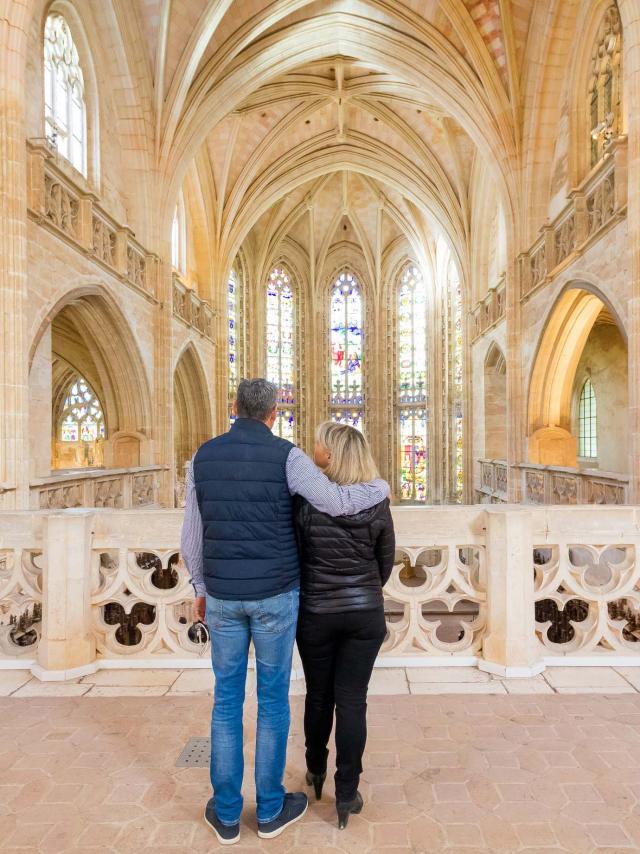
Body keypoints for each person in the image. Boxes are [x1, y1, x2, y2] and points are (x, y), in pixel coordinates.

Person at [180, 379, 389, 846]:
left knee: (226, 702)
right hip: (277, 595)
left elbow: (190, 538)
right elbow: (336, 501)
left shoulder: (202, 456)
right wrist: (380, 488)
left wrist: (199, 587)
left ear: (233, 407)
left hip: (223, 598)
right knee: (273, 701)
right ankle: (271, 810)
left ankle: (228, 815)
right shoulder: (289, 457)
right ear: (274, 413)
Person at [295, 422, 395, 829]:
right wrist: (364, 591)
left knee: (319, 696)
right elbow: (384, 561)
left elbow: (297, 556)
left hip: (316, 613)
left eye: (319, 443)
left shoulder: (305, 502)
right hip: (364, 615)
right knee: (353, 701)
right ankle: (347, 793)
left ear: (331, 455)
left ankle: (315, 770)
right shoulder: (378, 502)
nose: (313, 448)